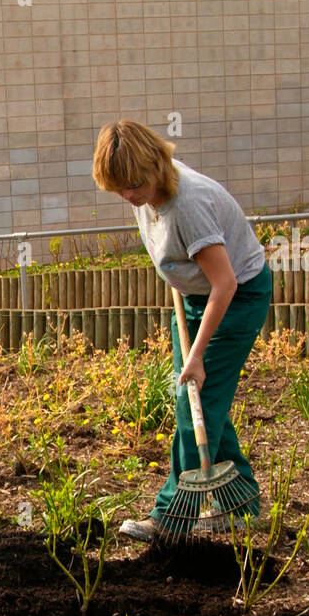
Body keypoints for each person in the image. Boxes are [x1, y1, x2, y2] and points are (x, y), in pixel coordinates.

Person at [92, 119, 272, 542]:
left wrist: (196, 356)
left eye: (133, 185)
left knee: (197, 406)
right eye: (118, 188)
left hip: (236, 298)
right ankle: (242, 504)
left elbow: (225, 282)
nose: (128, 196)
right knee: (198, 402)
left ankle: (170, 518)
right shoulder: (141, 189)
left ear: (154, 166)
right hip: (193, 297)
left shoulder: (188, 203)